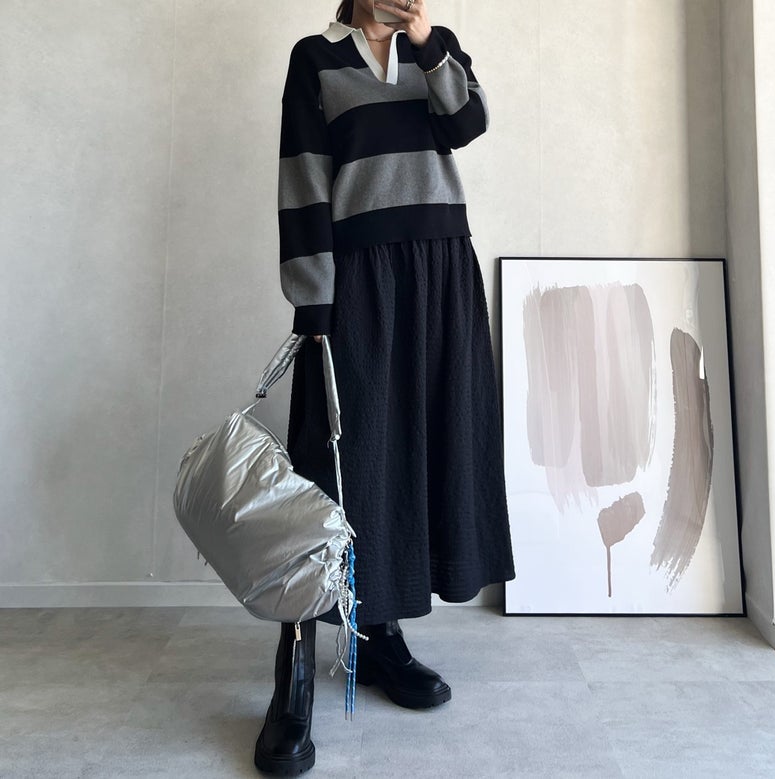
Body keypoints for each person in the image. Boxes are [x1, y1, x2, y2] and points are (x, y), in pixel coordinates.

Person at [254, 0, 515, 774]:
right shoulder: (316, 57)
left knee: (420, 451)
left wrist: (429, 44)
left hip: (441, 268)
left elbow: (468, 124)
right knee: (335, 465)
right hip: (358, 277)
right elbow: (302, 179)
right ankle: (294, 674)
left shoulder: (439, 48)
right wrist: (314, 302)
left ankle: (380, 632)